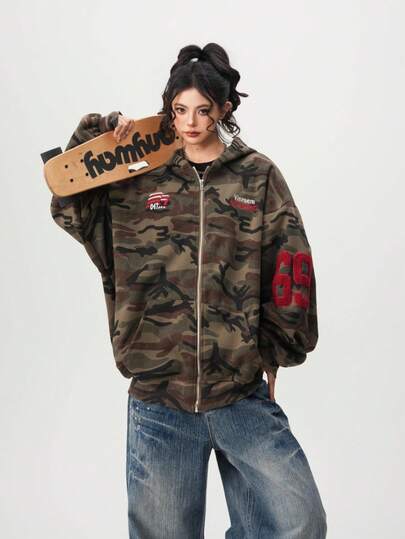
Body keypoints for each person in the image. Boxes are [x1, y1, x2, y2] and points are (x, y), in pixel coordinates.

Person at [50, 42, 327, 538]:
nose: (191, 122)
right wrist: (97, 137)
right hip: (159, 401)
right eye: (180, 110)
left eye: (203, 110)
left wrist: (275, 351)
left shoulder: (258, 176)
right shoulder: (138, 176)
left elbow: (292, 265)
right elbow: (70, 207)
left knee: (299, 521)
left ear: (224, 109)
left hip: (239, 395)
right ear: (168, 108)